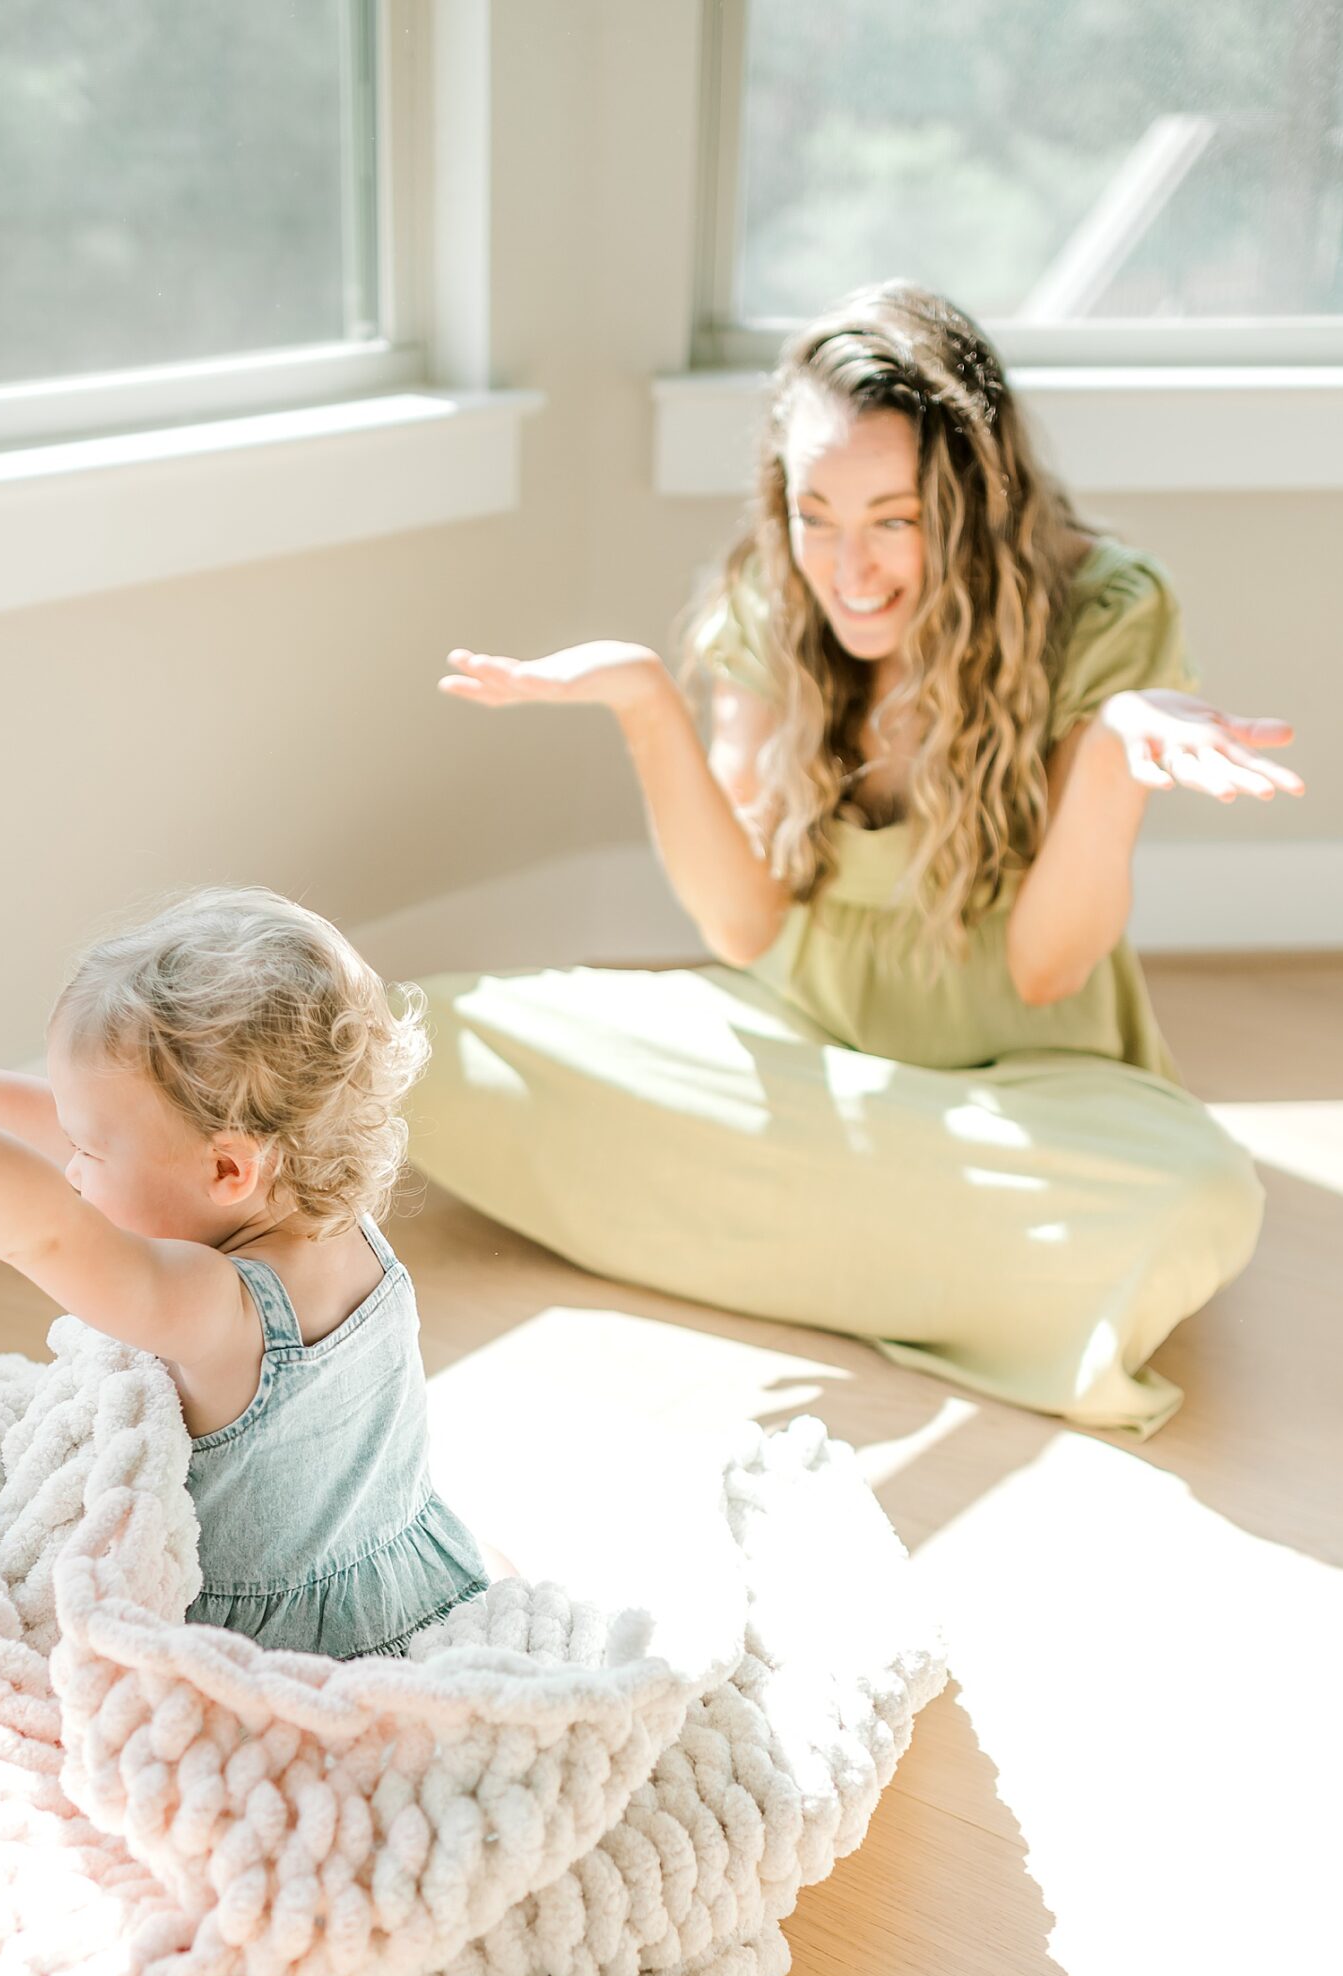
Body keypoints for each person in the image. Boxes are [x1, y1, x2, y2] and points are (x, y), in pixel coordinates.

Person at [412, 280, 1302, 1434]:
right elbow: (742, 931)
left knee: (1196, 1198)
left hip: (1020, 1091)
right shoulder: (768, 605)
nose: (851, 568)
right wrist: (642, 703)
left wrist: (1114, 760)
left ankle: (798, 1233)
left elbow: (1042, 971)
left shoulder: (1103, 609)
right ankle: (910, 1256)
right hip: (802, 1060)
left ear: (973, 501)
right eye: (814, 513)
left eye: (895, 518)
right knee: (425, 1035)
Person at [0, 888, 488, 1655]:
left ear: (229, 1168)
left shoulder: (220, 1309)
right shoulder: (342, 1225)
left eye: (89, 1153)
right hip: (407, 1574)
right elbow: (46, 1119)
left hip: (279, 1652)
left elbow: (43, 1233)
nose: (70, 1168)